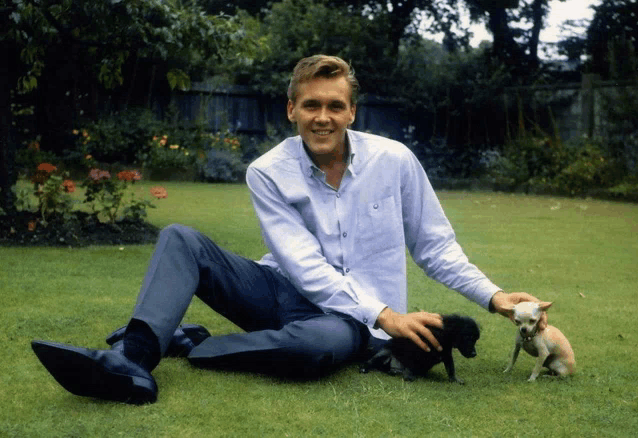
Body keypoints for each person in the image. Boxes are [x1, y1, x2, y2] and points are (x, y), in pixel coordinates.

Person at [31, 55, 541, 405]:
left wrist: (493, 296)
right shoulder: (268, 170)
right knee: (181, 237)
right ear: (292, 109)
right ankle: (133, 361)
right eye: (312, 105)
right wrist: (388, 314)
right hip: (276, 289)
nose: (323, 117)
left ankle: (187, 343)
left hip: (347, 318)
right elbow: (301, 264)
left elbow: (433, 245)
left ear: (352, 112)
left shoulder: (396, 160)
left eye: (335, 105)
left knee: (313, 349)